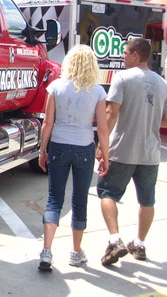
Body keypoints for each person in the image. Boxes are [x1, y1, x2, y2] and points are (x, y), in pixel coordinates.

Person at [37, 45, 109, 272]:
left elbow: (47, 123)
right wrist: (105, 154)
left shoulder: (56, 87)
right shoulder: (97, 91)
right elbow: (103, 128)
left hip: (58, 145)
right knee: (79, 200)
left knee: (53, 199)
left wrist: (42, 150)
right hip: (84, 147)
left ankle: (47, 251)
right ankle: (76, 252)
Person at [97, 37, 167, 265]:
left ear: (136, 55)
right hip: (150, 153)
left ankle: (115, 240)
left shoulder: (123, 78)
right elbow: (166, 120)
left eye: (125, 53)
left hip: (123, 150)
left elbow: (111, 113)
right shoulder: (162, 84)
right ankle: (139, 243)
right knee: (147, 200)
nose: (122, 56)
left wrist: (102, 145)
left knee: (107, 193)